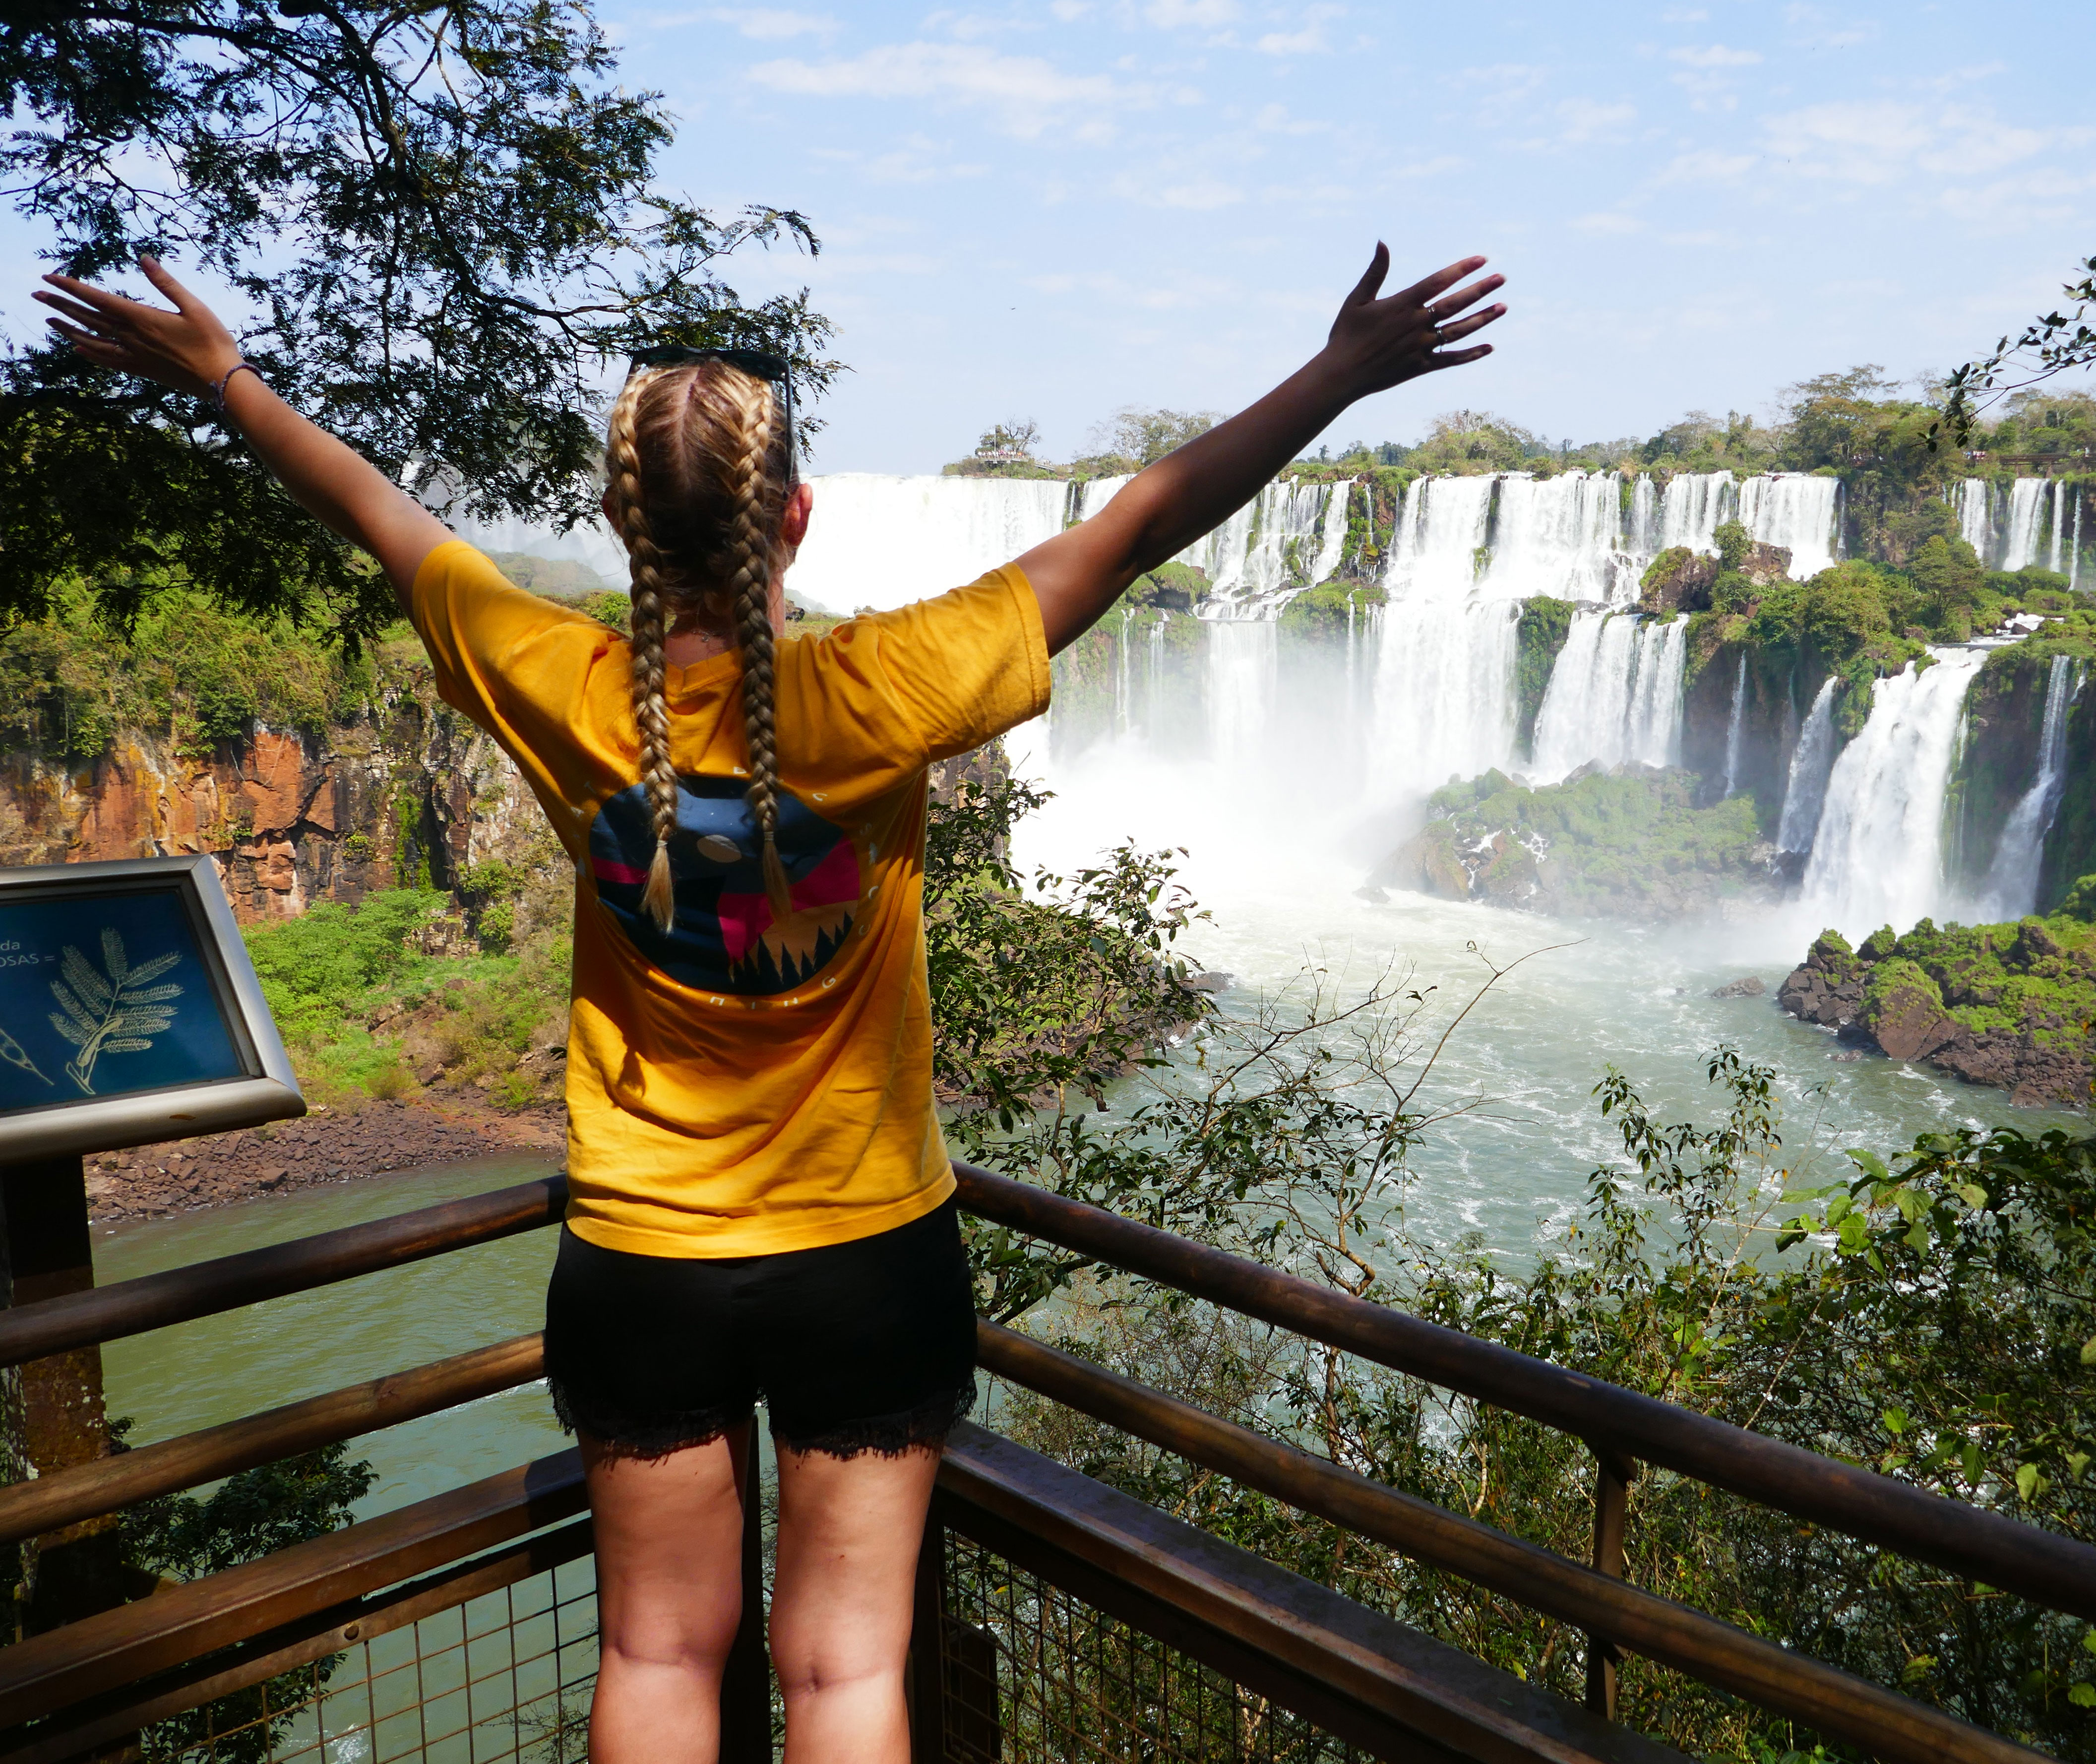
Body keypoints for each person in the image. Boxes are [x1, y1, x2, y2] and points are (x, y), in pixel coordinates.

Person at [36, 246, 1504, 1764]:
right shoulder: (887, 685)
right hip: (867, 1248)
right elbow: (1138, 526)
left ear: (617, 521)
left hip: (643, 1253)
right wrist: (1336, 374)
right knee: (853, 1673)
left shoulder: (552, 676)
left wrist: (221, 378)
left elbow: (375, 513)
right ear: (794, 516)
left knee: (660, 1652)